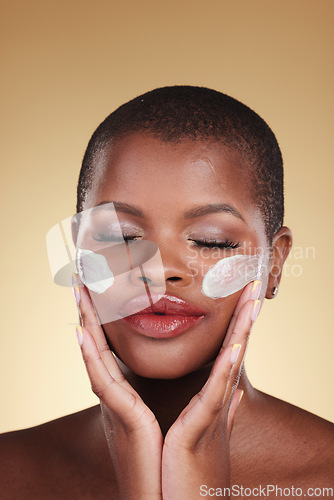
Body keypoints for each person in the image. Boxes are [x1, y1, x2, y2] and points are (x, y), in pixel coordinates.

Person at [0, 86, 333, 499]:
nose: (158, 271)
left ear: (275, 263)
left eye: (212, 241)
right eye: (120, 236)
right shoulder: (9, 472)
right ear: (77, 252)